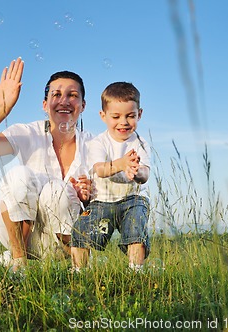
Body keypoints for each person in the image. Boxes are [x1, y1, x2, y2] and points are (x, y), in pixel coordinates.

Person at [0, 57, 93, 271]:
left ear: (83, 106)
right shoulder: (27, 133)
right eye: (56, 95)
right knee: (18, 175)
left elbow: (104, 206)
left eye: (73, 96)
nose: (64, 101)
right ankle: (19, 262)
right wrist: (1, 109)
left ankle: (78, 268)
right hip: (23, 237)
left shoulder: (94, 145)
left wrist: (89, 197)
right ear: (44, 104)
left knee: (56, 190)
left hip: (64, 243)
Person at [70, 81, 150, 272]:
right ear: (103, 116)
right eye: (116, 116)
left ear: (139, 114)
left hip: (133, 199)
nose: (123, 122)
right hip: (102, 201)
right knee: (81, 230)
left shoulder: (141, 143)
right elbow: (99, 169)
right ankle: (79, 270)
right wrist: (122, 164)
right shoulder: (99, 142)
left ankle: (135, 270)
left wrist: (136, 173)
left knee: (135, 230)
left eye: (130, 116)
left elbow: (145, 173)